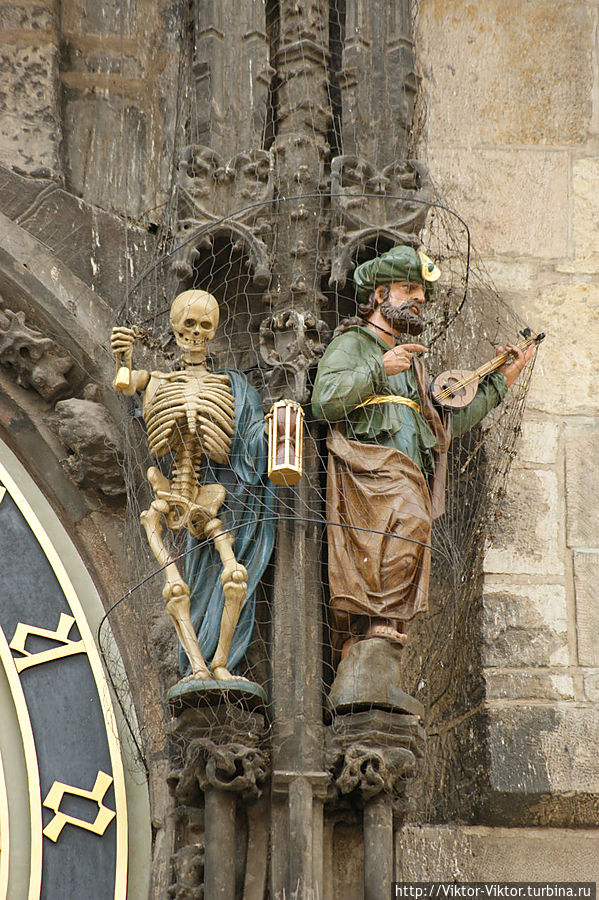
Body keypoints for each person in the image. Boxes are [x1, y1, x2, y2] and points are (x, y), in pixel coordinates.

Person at [311, 245, 533, 661]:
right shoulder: (353, 344)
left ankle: (383, 627)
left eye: (421, 292)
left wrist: (502, 380)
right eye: (408, 288)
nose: (419, 298)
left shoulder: (413, 365)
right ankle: (366, 628)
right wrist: (380, 368)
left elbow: (440, 431)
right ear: (379, 295)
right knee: (401, 529)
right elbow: (324, 402)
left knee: (411, 528)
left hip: (408, 474)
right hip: (367, 474)